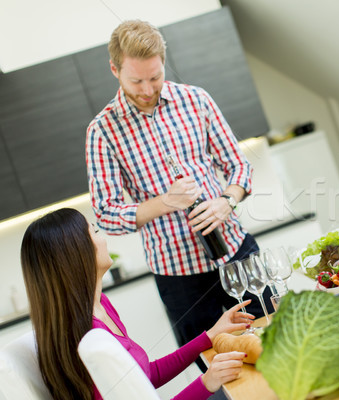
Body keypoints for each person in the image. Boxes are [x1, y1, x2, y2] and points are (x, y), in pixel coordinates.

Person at [85, 20, 272, 349]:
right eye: (136, 80)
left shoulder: (196, 100)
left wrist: (225, 201)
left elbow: (238, 165)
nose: (147, 89)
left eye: (155, 77)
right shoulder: (102, 130)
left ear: (163, 62)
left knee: (281, 339)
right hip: (179, 278)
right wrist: (166, 202)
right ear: (114, 69)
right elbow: (105, 214)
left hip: (236, 252)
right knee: (213, 372)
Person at [20, 208, 253, 400]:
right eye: (95, 232)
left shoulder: (100, 306)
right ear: (77, 252)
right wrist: (207, 381)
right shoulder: (87, 338)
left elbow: (146, 375)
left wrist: (210, 336)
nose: (103, 240)